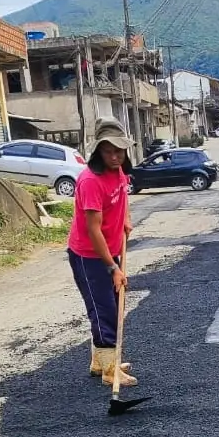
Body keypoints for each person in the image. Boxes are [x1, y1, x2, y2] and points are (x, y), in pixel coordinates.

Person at [67, 118, 137, 385]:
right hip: (89, 255)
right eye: (108, 151)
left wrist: (126, 219)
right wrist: (113, 268)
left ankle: (100, 362)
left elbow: (122, 194)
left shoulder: (118, 171)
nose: (115, 156)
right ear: (98, 151)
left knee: (106, 305)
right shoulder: (90, 181)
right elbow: (93, 230)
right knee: (106, 309)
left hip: (110, 248)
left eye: (119, 150)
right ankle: (110, 371)